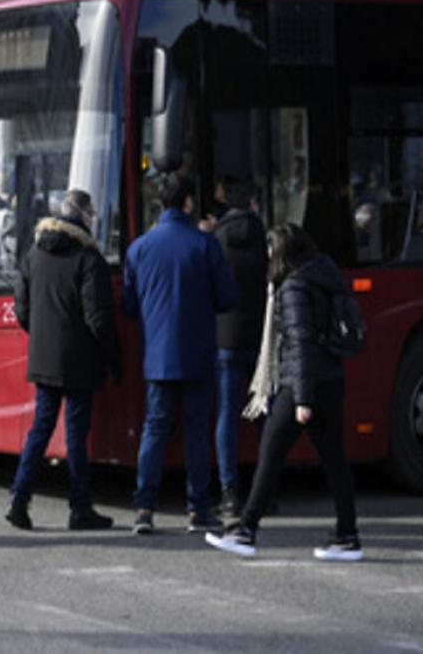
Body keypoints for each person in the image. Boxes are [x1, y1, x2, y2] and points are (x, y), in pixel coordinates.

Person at [206, 224, 364, 562]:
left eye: (270, 251)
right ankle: (348, 535)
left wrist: (303, 398)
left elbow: (301, 341)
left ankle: (246, 529)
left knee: (271, 452)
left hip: (303, 382)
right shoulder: (323, 273)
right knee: (335, 460)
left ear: (281, 253)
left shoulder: (293, 286)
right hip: (330, 378)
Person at [123, 173, 238, 535]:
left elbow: (129, 304)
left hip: (157, 355)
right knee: (197, 430)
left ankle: (144, 507)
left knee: (154, 429)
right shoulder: (205, 245)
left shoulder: (139, 248)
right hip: (199, 351)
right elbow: (227, 299)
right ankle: (198, 507)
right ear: (188, 202)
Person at [5, 191, 122, 532]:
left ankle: (19, 499)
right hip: (80, 359)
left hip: (44, 357)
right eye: (91, 212)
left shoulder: (34, 253)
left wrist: (40, 336)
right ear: (83, 215)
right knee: (75, 434)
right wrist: (113, 358)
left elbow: (21, 306)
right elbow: (97, 317)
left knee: (40, 429)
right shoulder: (88, 258)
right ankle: (80, 506)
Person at [212, 177, 269, 518]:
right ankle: (265, 490)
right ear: (252, 204)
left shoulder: (216, 240)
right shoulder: (267, 237)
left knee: (227, 417)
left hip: (225, 339)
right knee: (264, 415)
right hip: (260, 339)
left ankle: (230, 492)